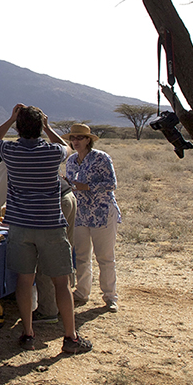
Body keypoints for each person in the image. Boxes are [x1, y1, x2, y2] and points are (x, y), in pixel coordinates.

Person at [0, 104, 91, 355]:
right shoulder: (52, 151)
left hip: (21, 227)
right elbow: (67, 148)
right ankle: (70, 337)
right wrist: (48, 126)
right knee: (61, 283)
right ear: (39, 128)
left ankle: (28, 333)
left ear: (19, 128)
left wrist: (10, 119)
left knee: (25, 281)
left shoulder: (10, 151)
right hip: (50, 226)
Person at [65, 123, 122, 312]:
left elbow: (111, 184)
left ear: (88, 140)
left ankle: (110, 296)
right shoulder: (71, 161)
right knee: (81, 255)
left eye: (79, 138)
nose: (75, 141)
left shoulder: (101, 158)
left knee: (105, 257)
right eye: (73, 138)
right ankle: (82, 292)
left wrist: (86, 187)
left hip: (102, 212)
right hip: (80, 213)